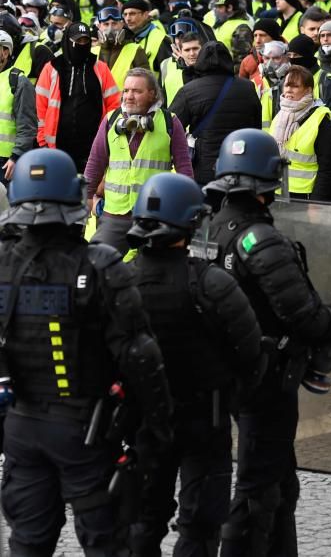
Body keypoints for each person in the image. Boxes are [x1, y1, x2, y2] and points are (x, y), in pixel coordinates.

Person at [0, 147, 173, 556]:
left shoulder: (4, 263)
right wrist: (159, 426)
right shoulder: (98, 264)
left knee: (27, 541)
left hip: (20, 428)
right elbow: (139, 356)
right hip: (84, 429)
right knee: (106, 542)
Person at [204, 129, 331, 555]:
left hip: (220, 373)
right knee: (258, 489)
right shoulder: (261, 239)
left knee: (279, 483)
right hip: (264, 378)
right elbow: (304, 316)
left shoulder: (207, 230)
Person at [126, 172, 265, 557]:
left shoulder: (121, 282)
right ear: (190, 224)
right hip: (204, 419)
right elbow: (251, 350)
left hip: (143, 423)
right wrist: (234, 393)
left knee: (142, 522)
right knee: (200, 527)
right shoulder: (212, 282)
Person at [84, 68, 194, 253]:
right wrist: (86, 198)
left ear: (152, 94)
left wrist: (188, 206)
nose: (129, 96)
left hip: (155, 215)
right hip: (114, 215)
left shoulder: (170, 122)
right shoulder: (111, 120)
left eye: (136, 91)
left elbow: (184, 169)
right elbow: (95, 164)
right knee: (96, 261)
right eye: (126, 90)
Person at [170, 41, 263, 185]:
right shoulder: (247, 87)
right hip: (240, 167)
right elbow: (256, 128)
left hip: (205, 170)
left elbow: (171, 127)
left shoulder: (189, 91)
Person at [35, 22, 120, 171]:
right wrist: (43, 140)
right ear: (68, 41)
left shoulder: (100, 68)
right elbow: (40, 108)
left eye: (85, 41)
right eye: (77, 41)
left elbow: (114, 105)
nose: (81, 44)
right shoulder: (52, 68)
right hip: (57, 147)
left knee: (88, 192)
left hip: (93, 148)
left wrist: (108, 138)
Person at [268, 64, 331, 201]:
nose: (289, 90)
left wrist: (316, 201)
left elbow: (327, 166)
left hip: (306, 196)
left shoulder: (320, 118)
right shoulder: (281, 115)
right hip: (278, 192)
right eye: (287, 85)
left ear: (308, 90)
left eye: (295, 86)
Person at [0, 29, 35, 183]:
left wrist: (16, 157)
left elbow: (27, 126)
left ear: (5, 52)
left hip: (6, 163)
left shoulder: (18, 81)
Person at [96, 5, 150, 89]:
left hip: (126, 101)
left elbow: (145, 83)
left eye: (114, 23)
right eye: (106, 24)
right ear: (99, 26)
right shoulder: (92, 51)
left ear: (121, 24)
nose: (110, 28)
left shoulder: (135, 50)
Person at [122, 0, 171, 76]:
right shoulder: (125, 39)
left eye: (132, 14)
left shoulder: (160, 39)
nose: (127, 18)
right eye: (125, 14)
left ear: (145, 15)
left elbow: (168, 75)